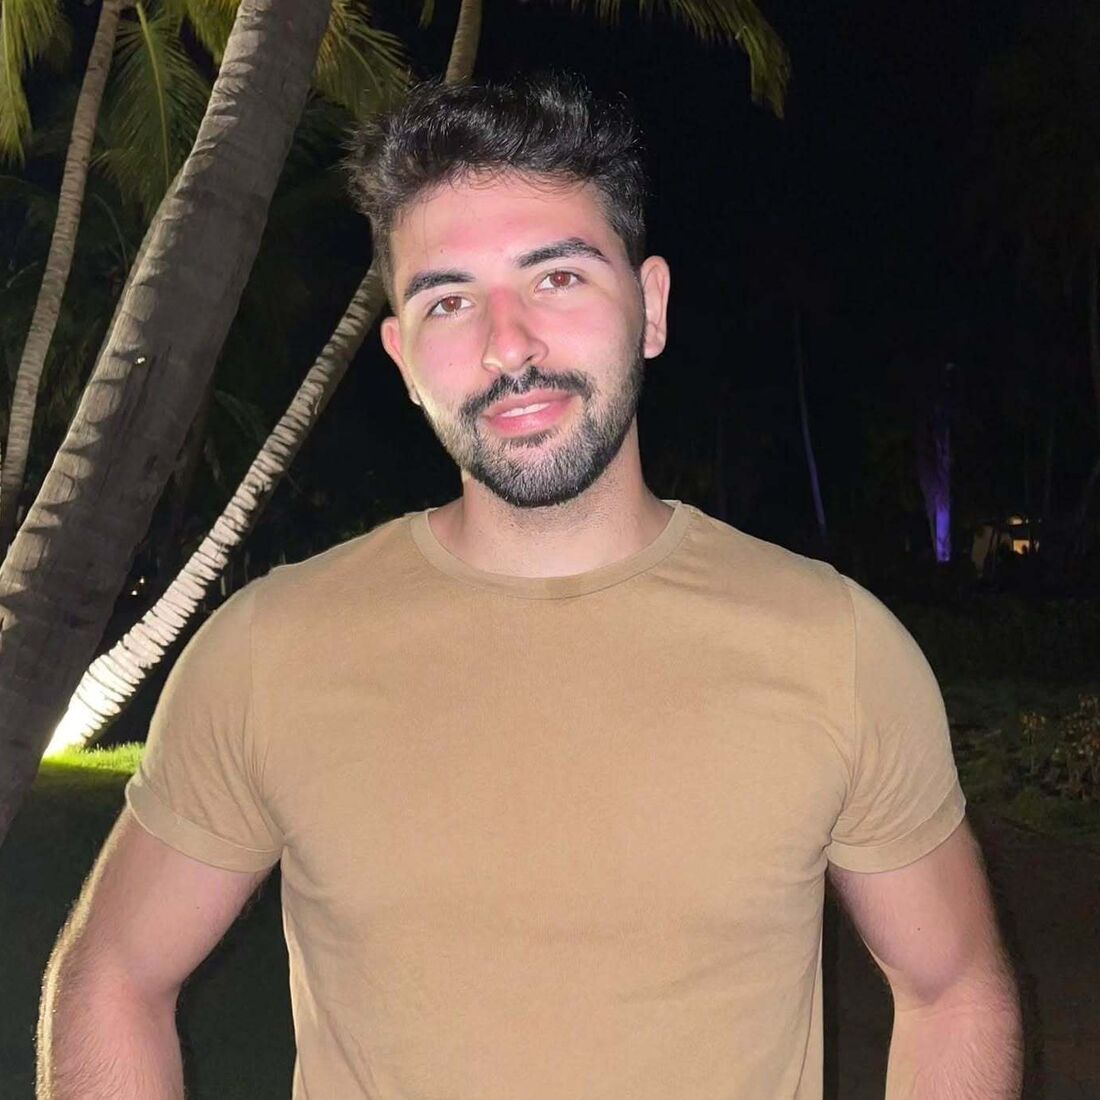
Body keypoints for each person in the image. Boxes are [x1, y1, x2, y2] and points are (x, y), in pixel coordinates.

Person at [38, 74, 1022, 1099]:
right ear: (402, 356)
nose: (507, 346)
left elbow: (953, 985)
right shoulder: (267, 650)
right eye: (449, 300)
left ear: (650, 307)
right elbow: (114, 976)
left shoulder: (833, 645)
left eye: (556, 278)